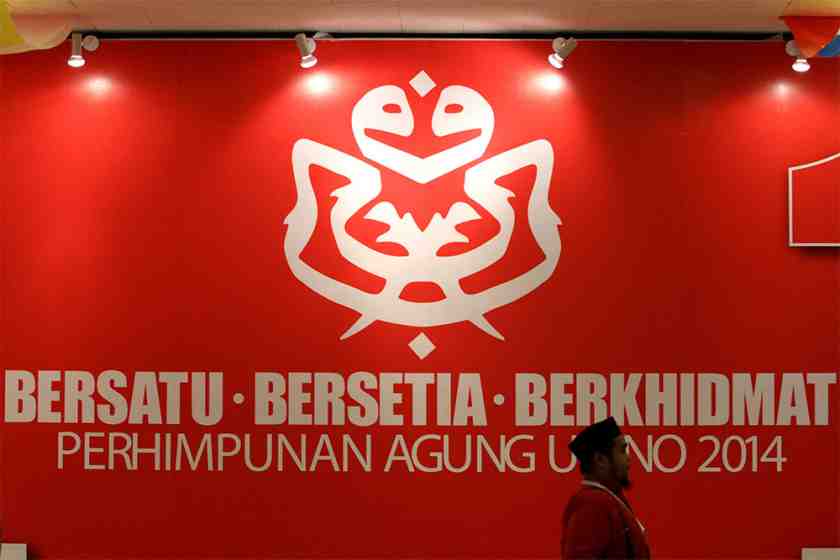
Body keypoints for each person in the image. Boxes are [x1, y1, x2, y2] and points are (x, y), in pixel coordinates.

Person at [561, 416, 651, 560]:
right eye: (622, 451)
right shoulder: (592, 503)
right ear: (600, 460)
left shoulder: (606, 499)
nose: (628, 458)